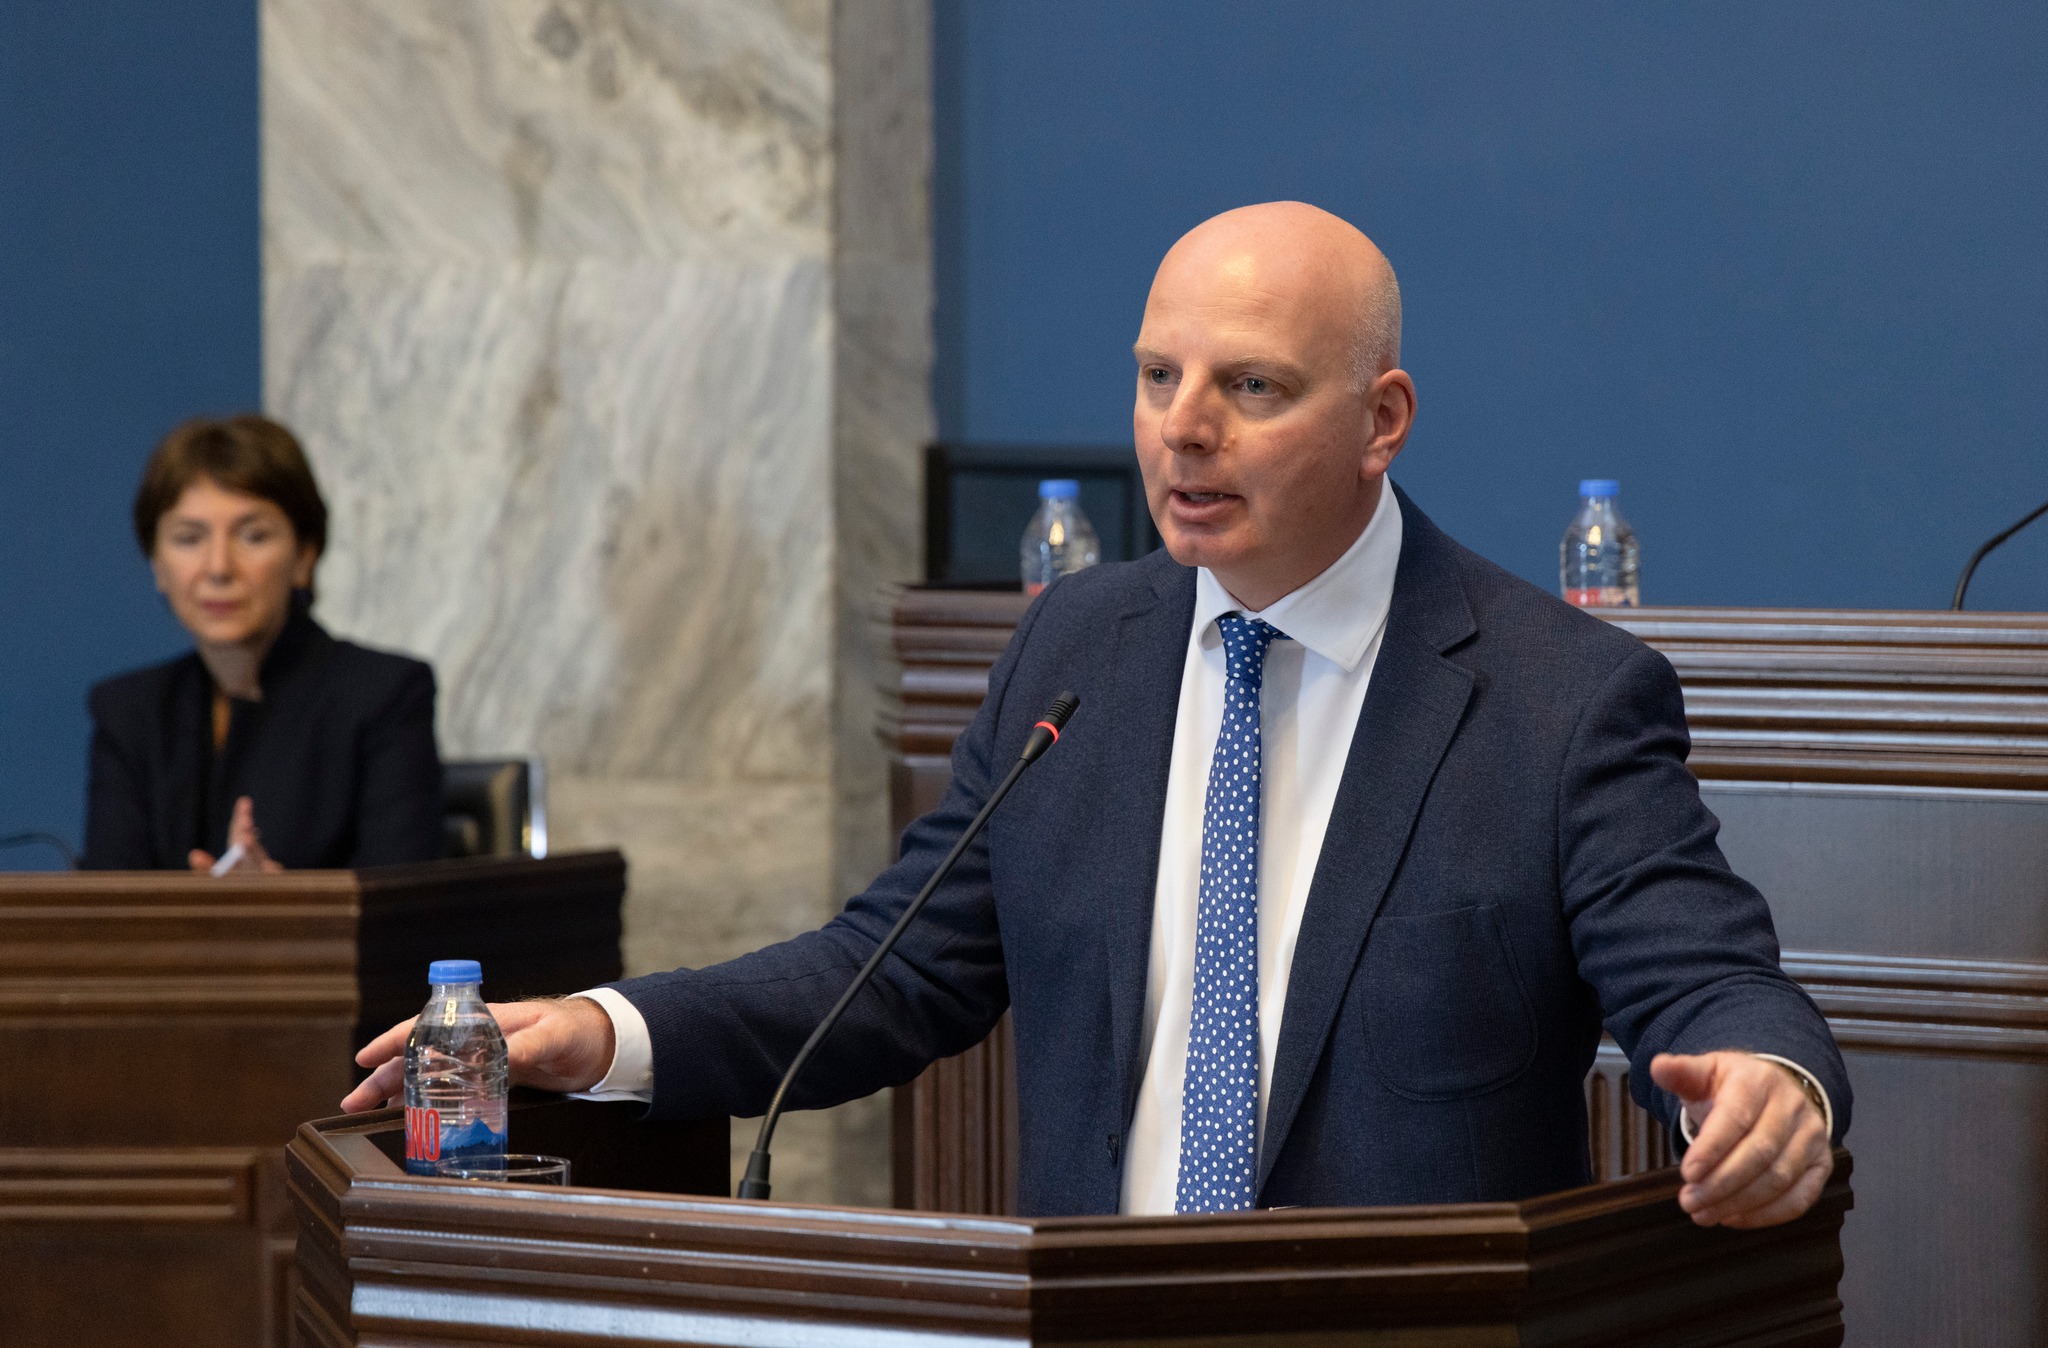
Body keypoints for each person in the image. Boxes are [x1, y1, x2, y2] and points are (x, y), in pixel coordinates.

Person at [348, 203, 1846, 1230]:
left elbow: (1709, 977)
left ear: (1381, 419)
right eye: (1156, 375)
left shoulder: (1555, 697)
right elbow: (896, 964)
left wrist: (1766, 1083)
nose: (1183, 427)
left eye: (1249, 385)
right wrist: (601, 1030)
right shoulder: (1078, 649)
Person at [84, 414, 445, 872]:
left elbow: (399, 899)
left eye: (252, 536)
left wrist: (287, 902)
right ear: (156, 564)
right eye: (189, 538)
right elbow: (111, 902)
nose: (219, 567)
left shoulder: (382, 696)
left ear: (304, 557)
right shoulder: (130, 712)